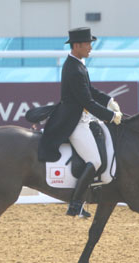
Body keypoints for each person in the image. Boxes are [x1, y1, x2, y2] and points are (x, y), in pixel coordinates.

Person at [38, 27, 123, 217]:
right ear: (77, 45)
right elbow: (87, 102)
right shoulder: (74, 68)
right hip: (74, 121)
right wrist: (110, 116)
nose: (90, 47)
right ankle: (75, 204)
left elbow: (89, 90)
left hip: (82, 117)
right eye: (87, 44)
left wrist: (109, 101)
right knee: (95, 160)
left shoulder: (78, 63)